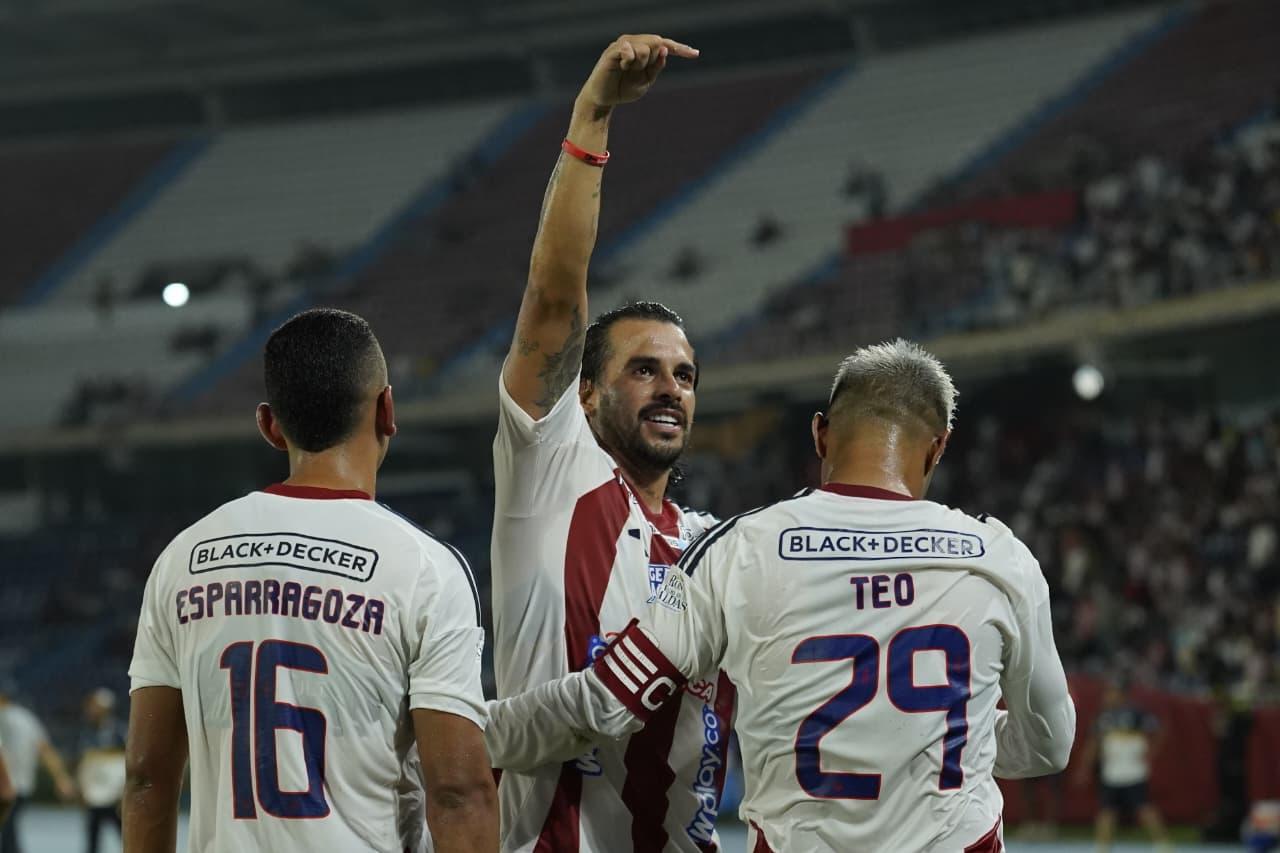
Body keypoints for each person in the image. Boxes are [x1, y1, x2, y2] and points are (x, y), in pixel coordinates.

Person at [486, 339, 1077, 851]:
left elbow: (607, 700)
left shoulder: (740, 548)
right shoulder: (1001, 559)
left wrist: (465, 730)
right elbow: (1050, 744)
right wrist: (926, 739)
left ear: (820, 432)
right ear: (938, 446)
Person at [124, 308, 498, 853]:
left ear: (271, 426)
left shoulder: (182, 559)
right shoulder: (424, 569)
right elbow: (459, 792)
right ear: (387, 410)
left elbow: (146, 777)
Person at [491, 33, 736, 853]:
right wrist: (591, 118)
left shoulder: (712, 548)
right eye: (644, 369)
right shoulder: (551, 476)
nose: (672, 386)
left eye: (686, 373)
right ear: (586, 395)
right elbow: (555, 297)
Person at [1075, 680, 1171, 853]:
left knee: (1144, 807)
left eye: (1112, 692)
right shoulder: (1103, 716)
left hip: (1134, 771)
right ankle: (1102, 846)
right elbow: (1093, 743)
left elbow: (1159, 729)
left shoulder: (1137, 713)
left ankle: (1162, 843)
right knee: (1106, 810)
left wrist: (1150, 753)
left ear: (1122, 694)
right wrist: (1085, 767)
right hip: (1112, 771)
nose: (1107, 696)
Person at [0, 686, 77, 853]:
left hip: (11, 786)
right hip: (19, 786)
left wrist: (61, 778)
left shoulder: (21, 719)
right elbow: (46, 750)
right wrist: (61, 778)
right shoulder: (26, 718)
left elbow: (45, 750)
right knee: (8, 832)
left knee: (7, 833)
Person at [77, 688, 127, 853]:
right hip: (94, 797)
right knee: (92, 842)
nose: (91, 709)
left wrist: (124, 791)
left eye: (95, 706)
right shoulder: (85, 732)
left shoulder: (120, 732)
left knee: (127, 839)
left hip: (115, 797)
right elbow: (86, 765)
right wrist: (83, 789)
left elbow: (127, 763)